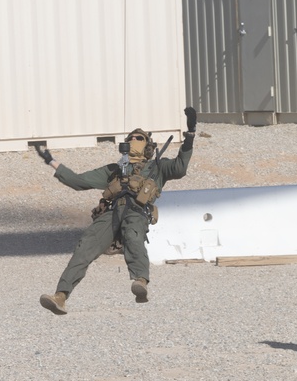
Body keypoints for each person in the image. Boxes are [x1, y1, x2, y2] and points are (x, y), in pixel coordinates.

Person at [36, 108, 197, 314]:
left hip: (137, 211)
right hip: (112, 212)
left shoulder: (158, 167)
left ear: (147, 146)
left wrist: (190, 133)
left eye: (139, 138)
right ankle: (61, 296)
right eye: (130, 138)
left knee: (133, 234)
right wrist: (51, 161)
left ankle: (140, 281)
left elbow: (180, 167)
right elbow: (79, 181)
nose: (133, 141)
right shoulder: (114, 169)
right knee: (86, 244)